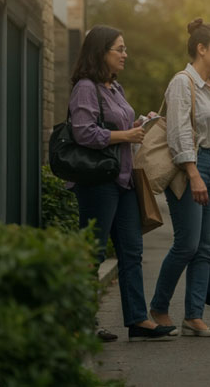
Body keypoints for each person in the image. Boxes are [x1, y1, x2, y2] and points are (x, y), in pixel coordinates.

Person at [69, 25, 175, 342]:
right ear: (101, 51)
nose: (125, 54)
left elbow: (120, 126)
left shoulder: (115, 88)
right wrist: (125, 135)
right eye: (120, 48)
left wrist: (141, 124)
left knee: (132, 251)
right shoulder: (85, 88)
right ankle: (81, 323)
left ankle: (137, 320)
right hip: (98, 181)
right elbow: (83, 132)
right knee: (94, 252)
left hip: (125, 180)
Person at [150, 18, 210, 337]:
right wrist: (193, 172)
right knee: (186, 244)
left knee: (207, 246)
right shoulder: (182, 83)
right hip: (190, 167)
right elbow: (178, 132)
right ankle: (159, 307)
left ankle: (193, 316)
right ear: (202, 48)